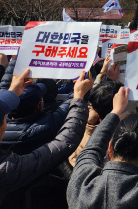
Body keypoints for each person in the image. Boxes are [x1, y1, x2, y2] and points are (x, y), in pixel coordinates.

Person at [0, 69, 92, 199]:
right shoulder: (6, 169)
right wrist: (79, 96)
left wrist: (12, 92)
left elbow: (3, 88)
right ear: (40, 105)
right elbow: (65, 140)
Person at [1, 57, 76, 154]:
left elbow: (4, 85)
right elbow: (74, 100)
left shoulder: (2, 115)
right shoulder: (47, 126)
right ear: (40, 106)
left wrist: (18, 59)